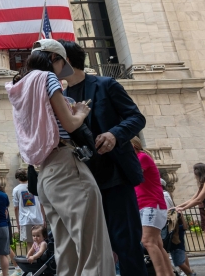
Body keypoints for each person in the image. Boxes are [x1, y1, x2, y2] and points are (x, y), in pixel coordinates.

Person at [5, 39, 115, 276]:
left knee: (66, 250)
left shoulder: (21, 86)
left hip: (44, 173)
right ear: (53, 58)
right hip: (66, 164)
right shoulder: (47, 77)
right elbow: (69, 123)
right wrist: (81, 113)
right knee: (92, 246)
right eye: (60, 64)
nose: (60, 72)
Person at [59, 40, 148, 276]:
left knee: (126, 242)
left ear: (66, 61)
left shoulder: (106, 84)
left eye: (52, 59)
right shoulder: (60, 98)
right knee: (94, 247)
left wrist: (114, 134)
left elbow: (136, 118)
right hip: (83, 181)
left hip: (115, 176)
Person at [129, 137, 171, 276]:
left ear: (133, 146)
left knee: (147, 241)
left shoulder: (141, 157)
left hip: (152, 204)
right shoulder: (139, 158)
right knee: (156, 244)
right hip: (146, 205)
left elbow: (132, 175)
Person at [176, 163, 205, 266]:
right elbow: (193, 199)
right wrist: (178, 206)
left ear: (198, 172)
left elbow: (199, 200)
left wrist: (183, 208)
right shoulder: (204, 184)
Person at [161, 179, 195, 276]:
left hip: (171, 226)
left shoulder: (164, 194)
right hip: (175, 225)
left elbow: (168, 211)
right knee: (180, 250)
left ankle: (188, 272)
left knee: (176, 252)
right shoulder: (167, 194)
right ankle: (187, 271)